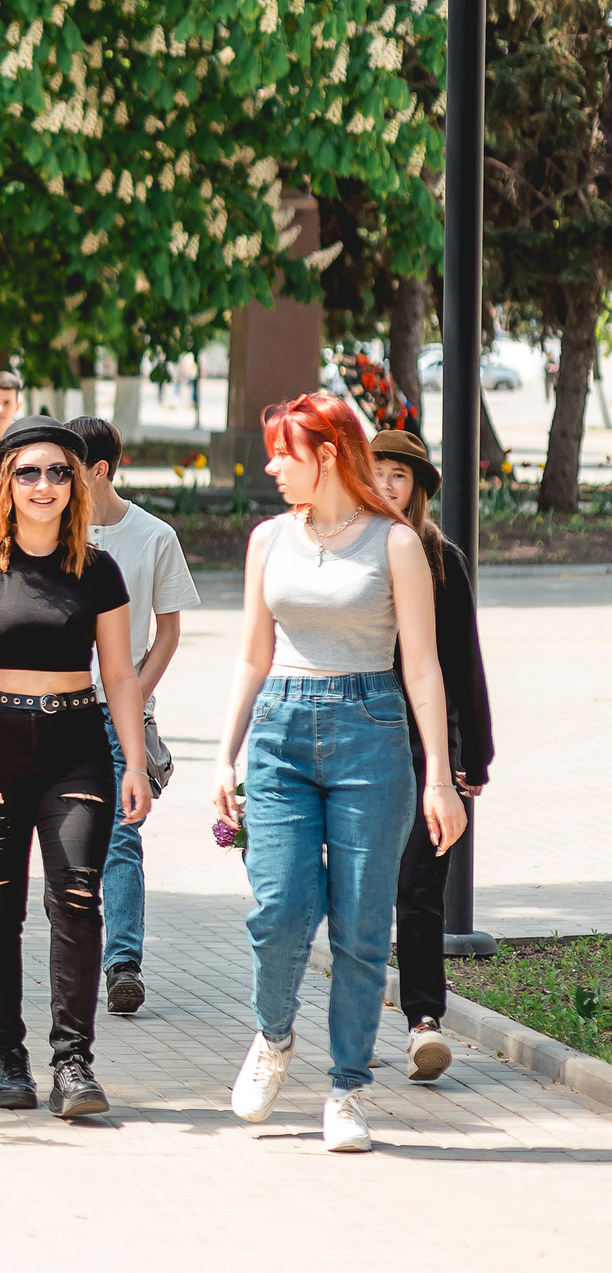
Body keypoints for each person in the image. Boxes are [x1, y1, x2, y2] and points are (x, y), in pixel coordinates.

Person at [215, 395, 464, 1154]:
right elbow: (253, 653)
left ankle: (349, 1087)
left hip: (372, 730)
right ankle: (274, 1034)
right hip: (281, 730)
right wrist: (223, 755)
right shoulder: (267, 540)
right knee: (280, 909)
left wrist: (441, 777)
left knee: (361, 925)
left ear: (324, 454)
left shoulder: (395, 544)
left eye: (282, 452)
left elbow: (422, 663)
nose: (270, 466)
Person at [0, 416, 152, 1118]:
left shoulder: (98, 568)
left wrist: (136, 762)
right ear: (6, 480)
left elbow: (120, 675)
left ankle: (73, 1062)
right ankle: (7, 1058)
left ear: (76, 483)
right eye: (28, 471)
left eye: (58, 471)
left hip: (76, 746)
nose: (44, 484)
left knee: (78, 897)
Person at [368, 429, 494, 1083]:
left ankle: (423, 1021)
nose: (387, 484)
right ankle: (355, 1022)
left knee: (418, 886)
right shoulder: (349, 553)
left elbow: (463, 663)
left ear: (417, 487)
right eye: (378, 472)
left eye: (399, 475)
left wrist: (474, 753)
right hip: (358, 737)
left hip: (427, 745)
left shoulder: (441, 557)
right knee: (362, 888)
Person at [70, 416, 199, 1016]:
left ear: (99, 471)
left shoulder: (154, 537)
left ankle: (123, 963)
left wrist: (131, 698)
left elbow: (169, 632)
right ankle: (72, 957)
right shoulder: (49, 530)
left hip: (121, 715)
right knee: (67, 841)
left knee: (122, 837)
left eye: (68, 470)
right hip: (58, 708)